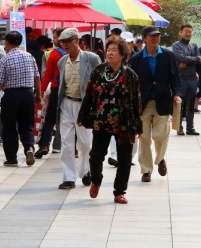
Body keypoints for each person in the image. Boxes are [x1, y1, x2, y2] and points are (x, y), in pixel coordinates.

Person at [79, 37, 142, 203]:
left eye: (114, 50)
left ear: (122, 54)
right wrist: (83, 115)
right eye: (108, 50)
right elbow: (90, 94)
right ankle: (96, 180)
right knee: (96, 156)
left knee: (124, 159)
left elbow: (137, 101)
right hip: (101, 120)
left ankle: (119, 191)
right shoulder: (99, 71)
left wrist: (138, 125)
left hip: (124, 122)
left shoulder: (130, 75)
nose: (110, 52)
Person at [128, 25, 180, 183]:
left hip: (162, 100)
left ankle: (160, 159)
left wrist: (177, 94)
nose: (156, 38)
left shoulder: (168, 55)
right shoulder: (136, 59)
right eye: (152, 36)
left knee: (160, 135)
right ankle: (146, 170)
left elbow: (175, 77)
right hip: (143, 103)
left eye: (157, 35)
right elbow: (131, 83)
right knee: (144, 137)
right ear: (144, 39)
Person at [56, 27, 102, 188]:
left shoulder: (92, 58)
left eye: (68, 41)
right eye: (62, 42)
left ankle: (85, 170)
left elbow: (100, 82)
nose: (65, 45)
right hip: (66, 104)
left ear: (77, 41)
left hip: (85, 105)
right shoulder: (62, 62)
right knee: (67, 143)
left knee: (85, 143)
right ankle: (68, 177)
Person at [0, 29, 40, 168]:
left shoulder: (5, 59)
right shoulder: (29, 57)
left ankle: (12, 158)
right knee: (27, 125)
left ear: (7, 43)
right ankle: (29, 148)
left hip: (11, 96)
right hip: (28, 94)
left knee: (9, 127)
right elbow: (37, 77)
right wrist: (39, 95)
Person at [36, 27, 65, 158]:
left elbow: (47, 75)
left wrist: (41, 91)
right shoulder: (76, 53)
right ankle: (71, 148)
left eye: (55, 37)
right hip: (71, 91)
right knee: (69, 119)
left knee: (50, 119)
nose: (53, 40)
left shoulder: (54, 54)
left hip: (55, 89)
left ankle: (44, 145)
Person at [171, 24, 201, 135]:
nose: (188, 33)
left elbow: (200, 59)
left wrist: (189, 61)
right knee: (181, 104)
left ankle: (190, 128)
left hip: (193, 79)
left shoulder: (194, 46)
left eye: (190, 31)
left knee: (190, 104)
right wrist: (195, 59)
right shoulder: (176, 45)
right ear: (181, 32)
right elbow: (181, 58)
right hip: (181, 79)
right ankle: (179, 127)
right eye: (186, 31)